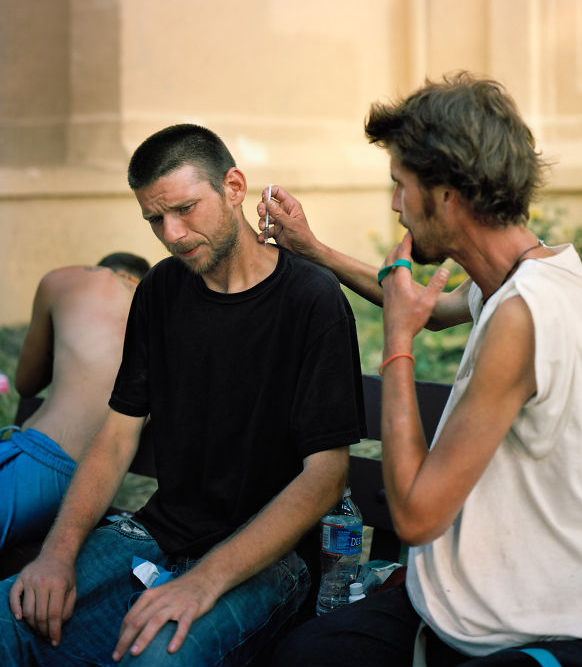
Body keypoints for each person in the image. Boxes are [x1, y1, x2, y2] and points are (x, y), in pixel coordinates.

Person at [262, 73, 582, 667]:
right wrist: (313, 249)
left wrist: (396, 346)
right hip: (487, 609)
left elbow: (414, 514)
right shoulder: (526, 274)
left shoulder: (526, 314)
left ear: (446, 196)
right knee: (306, 657)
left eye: (400, 186)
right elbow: (426, 309)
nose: (394, 204)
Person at [0, 123, 366, 666]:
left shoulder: (311, 298)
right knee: (12, 616)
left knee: (160, 656)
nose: (171, 234)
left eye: (185, 209)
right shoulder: (159, 290)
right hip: (159, 532)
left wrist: (203, 581)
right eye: (154, 218)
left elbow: (325, 477)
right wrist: (57, 553)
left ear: (234, 188)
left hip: (277, 559)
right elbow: (118, 437)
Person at [1, 251, 150, 550]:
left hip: (41, 463)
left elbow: (26, 383)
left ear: (103, 270)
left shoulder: (65, 279)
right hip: (82, 485)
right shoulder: (166, 307)